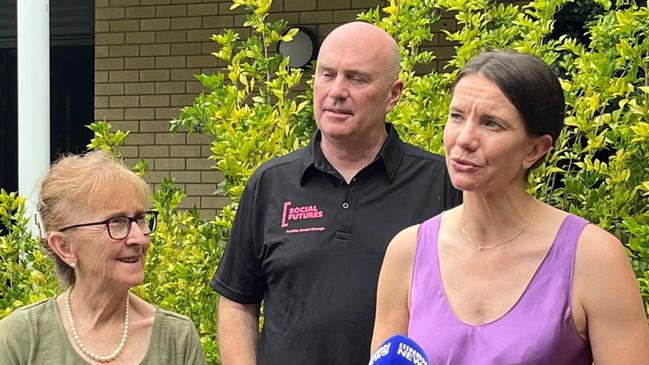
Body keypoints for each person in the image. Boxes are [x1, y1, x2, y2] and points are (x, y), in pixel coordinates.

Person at [371, 50, 649, 364]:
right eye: (457, 116)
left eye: (492, 124)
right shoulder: (407, 251)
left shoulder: (593, 257)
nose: (465, 139)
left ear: (535, 149)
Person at [211, 21, 461, 364]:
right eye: (327, 74)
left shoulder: (442, 185)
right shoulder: (270, 183)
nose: (337, 91)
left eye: (357, 78)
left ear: (394, 94)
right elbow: (238, 301)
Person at [0, 151, 206, 364]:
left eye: (141, 218)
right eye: (116, 222)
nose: (139, 238)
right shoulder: (22, 339)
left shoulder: (176, 339)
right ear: (64, 247)